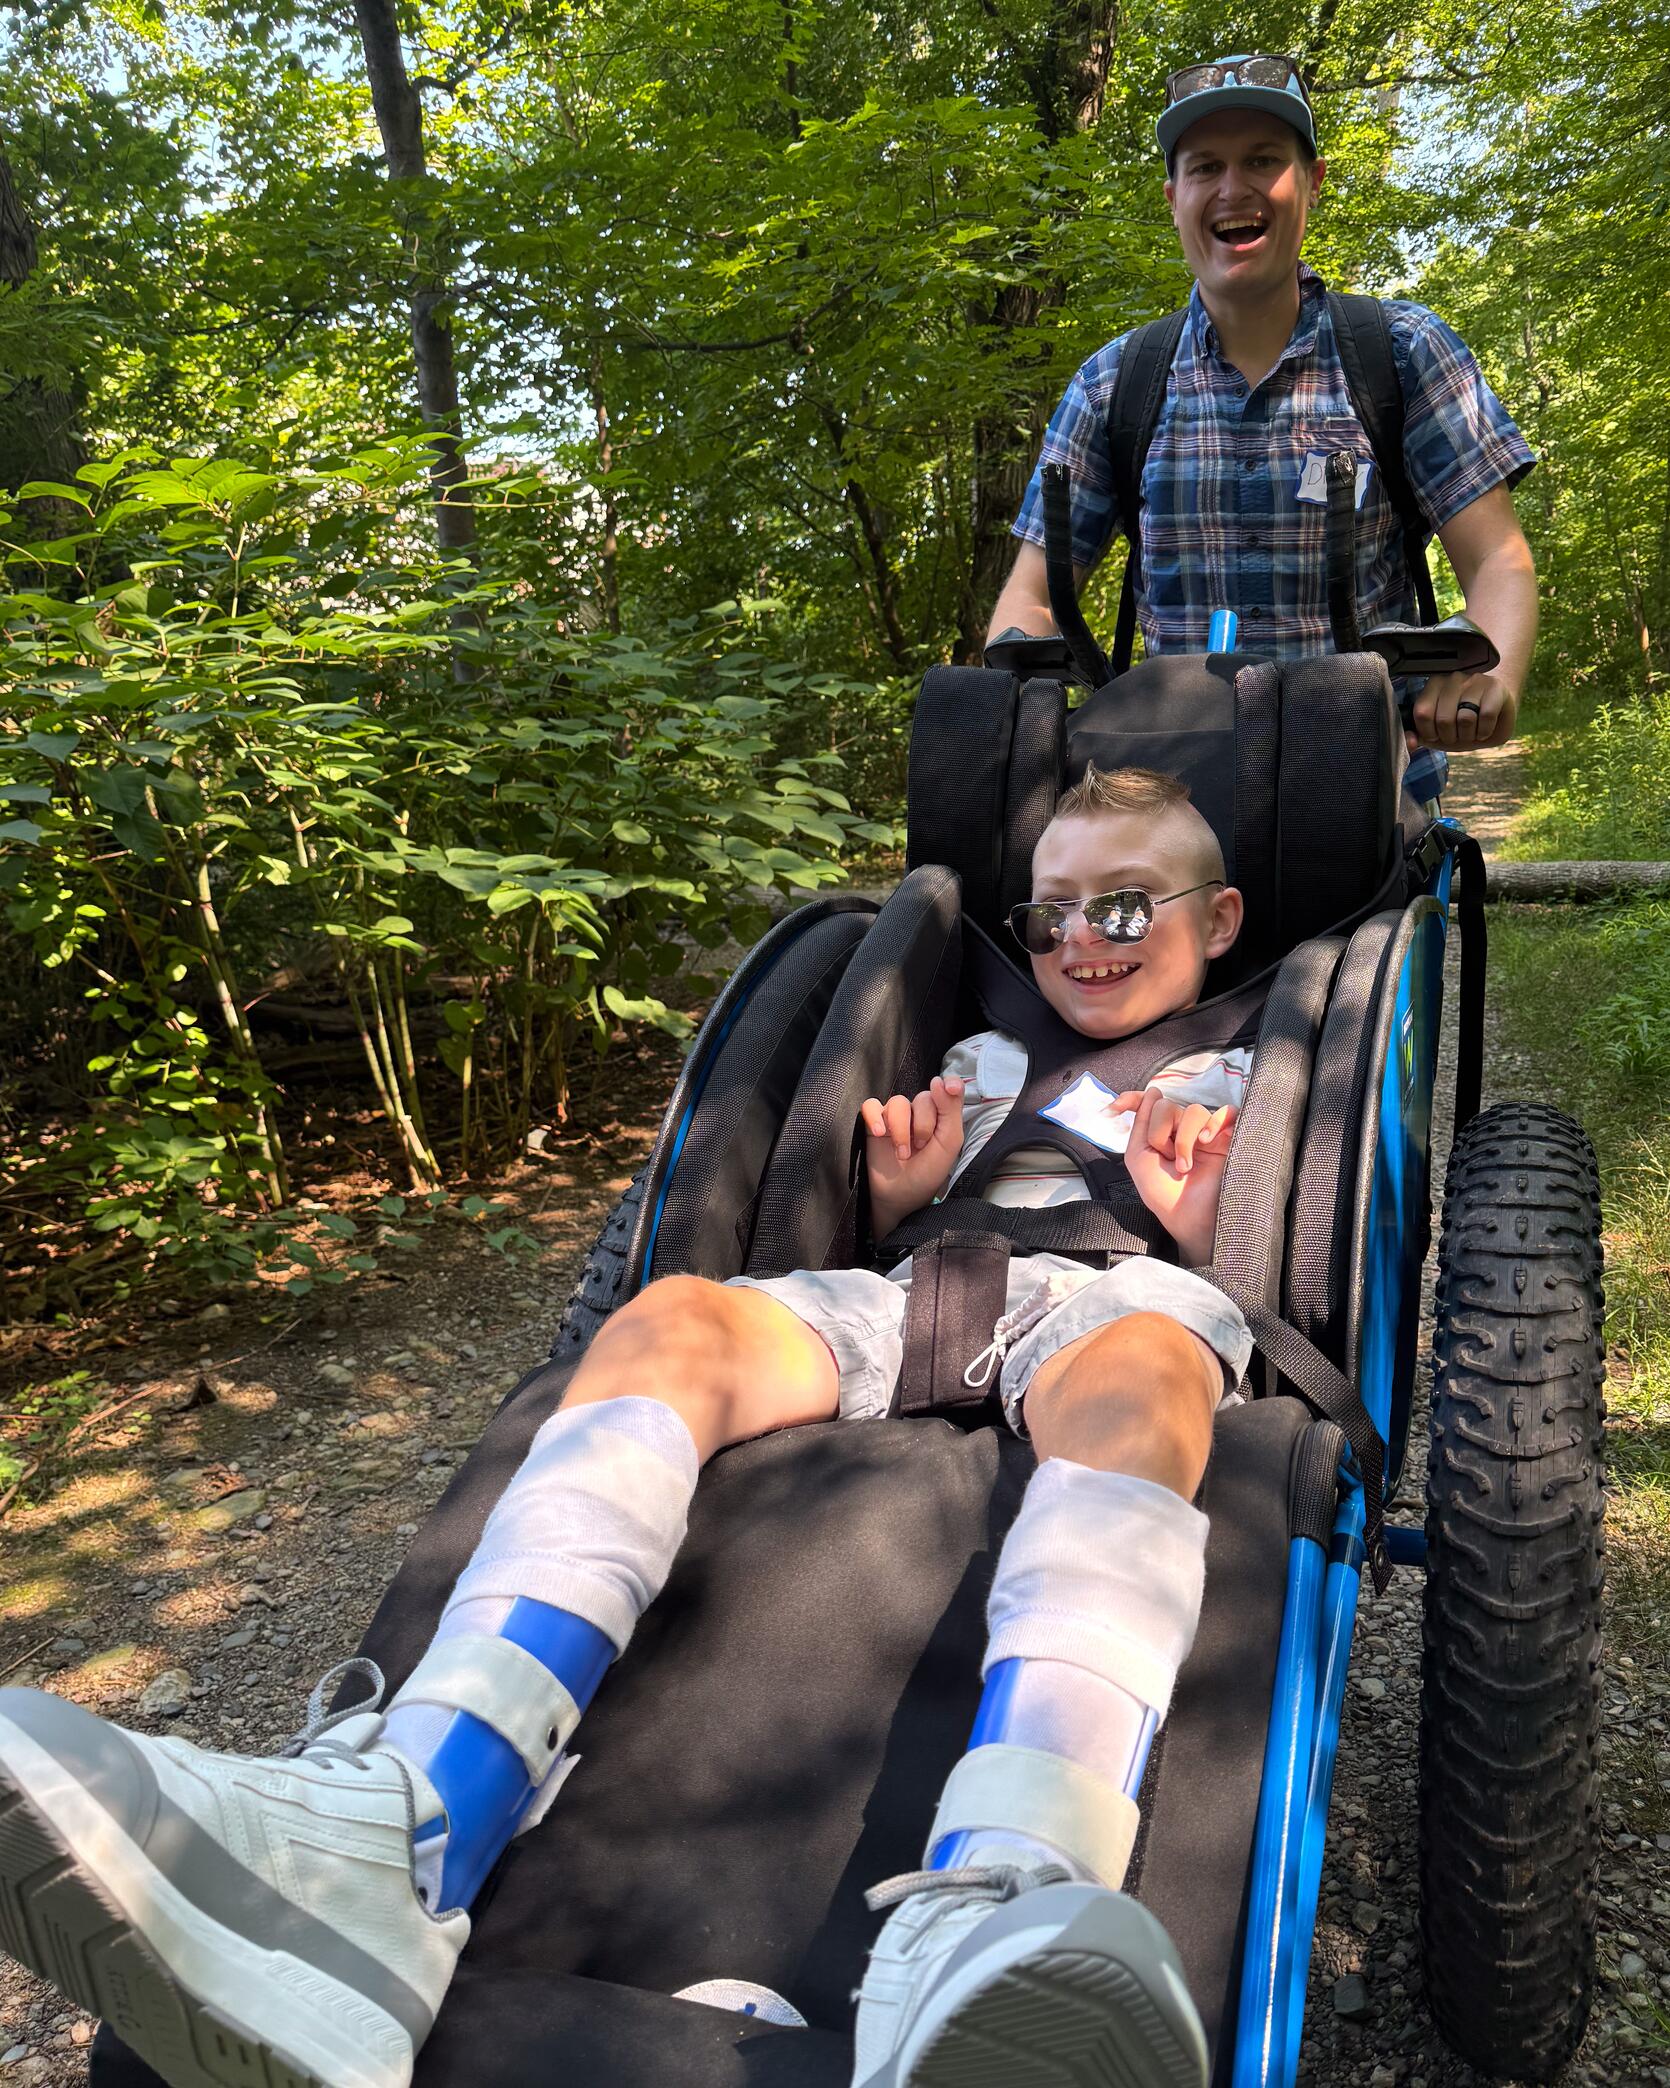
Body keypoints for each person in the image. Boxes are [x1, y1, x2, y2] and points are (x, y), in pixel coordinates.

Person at [0, 767, 1256, 2088]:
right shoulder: (980, 1049)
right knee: (666, 1321)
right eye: (1047, 916)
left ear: (1218, 921)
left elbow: (1270, 1284)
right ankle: (400, 1836)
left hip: (1116, 1295)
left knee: (1145, 1376)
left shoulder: (1255, 1059)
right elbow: (877, 1228)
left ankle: (1012, 1878)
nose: (1075, 945)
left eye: (1120, 911)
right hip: (911, 1290)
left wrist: (1198, 1222)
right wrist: (899, 1192)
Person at [987, 53, 1538, 764]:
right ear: (1173, 196)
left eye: (1262, 160)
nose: (1233, 188)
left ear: (1312, 183)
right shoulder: (1111, 386)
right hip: (1166, 811)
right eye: (1205, 167)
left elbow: (1498, 557)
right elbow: (1029, 601)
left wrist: (1492, 673)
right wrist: (1027, 717)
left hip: (1368, 794)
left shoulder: (1402, 356)